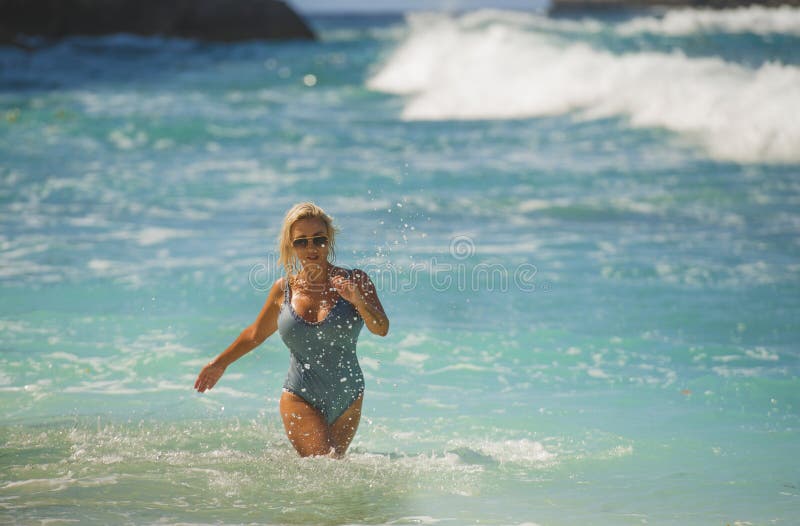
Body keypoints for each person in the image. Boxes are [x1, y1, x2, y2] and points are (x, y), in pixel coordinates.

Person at [194, 202, 389, 458]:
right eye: (301, 241)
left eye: (318, 239)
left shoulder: (356, 281)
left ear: (329, 240)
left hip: (349, 396)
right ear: (291, 245)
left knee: (332, 475)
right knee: (324, 464)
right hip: (300, 396)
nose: (311, 248)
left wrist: (358, 301)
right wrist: (219, 363)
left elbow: (381, 328)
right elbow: (255, 334)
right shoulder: (283, 289)